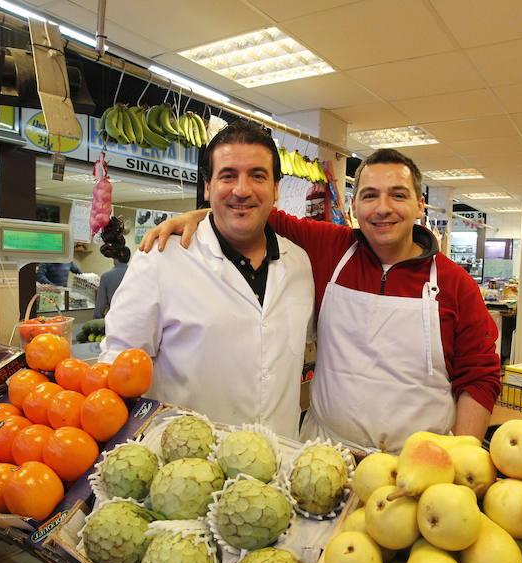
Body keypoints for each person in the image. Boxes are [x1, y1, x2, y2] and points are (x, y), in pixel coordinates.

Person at [140, 148, 501, 451]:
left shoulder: (456, 284)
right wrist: (197, 215)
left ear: (420, 205)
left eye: (399, 195)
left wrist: (461, 460)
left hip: (418, 463)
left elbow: (480, 377)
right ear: (354, 207)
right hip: (326, 453)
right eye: (370, 195)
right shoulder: (330, 248)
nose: (383, 208)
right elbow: (254, 211)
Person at [99, 120, 314, 438]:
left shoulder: (299, 264)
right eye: (228, 176)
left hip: (278, 464)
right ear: (208, 187)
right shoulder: (160, 258)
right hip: (185, 469)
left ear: (276, 188)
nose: (242, 190)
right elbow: (118, 364)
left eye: (257, 175)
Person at [94, 216, 131, 318]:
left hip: (115, 319)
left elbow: (100, 306)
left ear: (113, 256)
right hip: (135, 320)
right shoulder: (137, 273)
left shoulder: (107, 277)